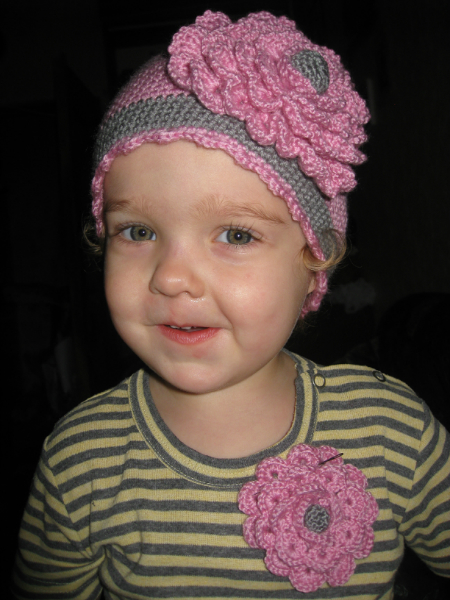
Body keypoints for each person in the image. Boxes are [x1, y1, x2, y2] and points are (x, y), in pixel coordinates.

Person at [12, 10, 449, 600]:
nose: (171, 277)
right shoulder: (81, 460)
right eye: (138, 231)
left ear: (315, 263)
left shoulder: (393, 431)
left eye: (236, 235)